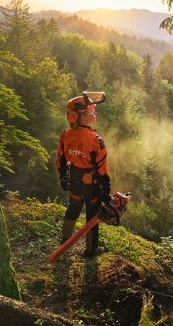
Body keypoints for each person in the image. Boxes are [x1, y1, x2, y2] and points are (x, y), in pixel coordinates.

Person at [56, 93, 111, 257]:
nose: (95, 113)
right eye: (91, 111)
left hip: (74, 178)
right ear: (83, 116)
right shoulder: (95, 140)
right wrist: (106, 191)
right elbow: (103, 168)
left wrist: (63, 175)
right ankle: (91, 250)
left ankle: (65, 242)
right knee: (92, 214)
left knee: (73, 207)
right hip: (91, 182)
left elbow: (61, 159)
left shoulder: (66, 135)